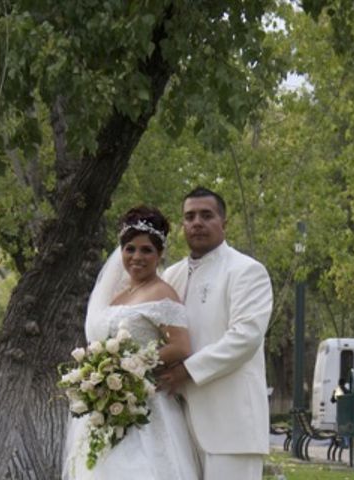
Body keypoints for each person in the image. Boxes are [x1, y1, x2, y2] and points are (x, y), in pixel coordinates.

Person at [63, 206, 200, 480]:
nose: (137, 257)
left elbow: (181, 346)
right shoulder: (117, 295)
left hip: (146, 407)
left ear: (159, 254)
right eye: (130, 249)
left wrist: (131, 368)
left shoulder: (163, 293)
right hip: (106, 406)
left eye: (146, 250)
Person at [159, 187, 273, 480]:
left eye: (206, 215)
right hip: (176, 423)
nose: (197, 222)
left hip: (231, 426)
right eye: (189, 216)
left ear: (224, 222)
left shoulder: (246, 270)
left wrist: (186, 370)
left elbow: (244, 338)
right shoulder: (171, 275)